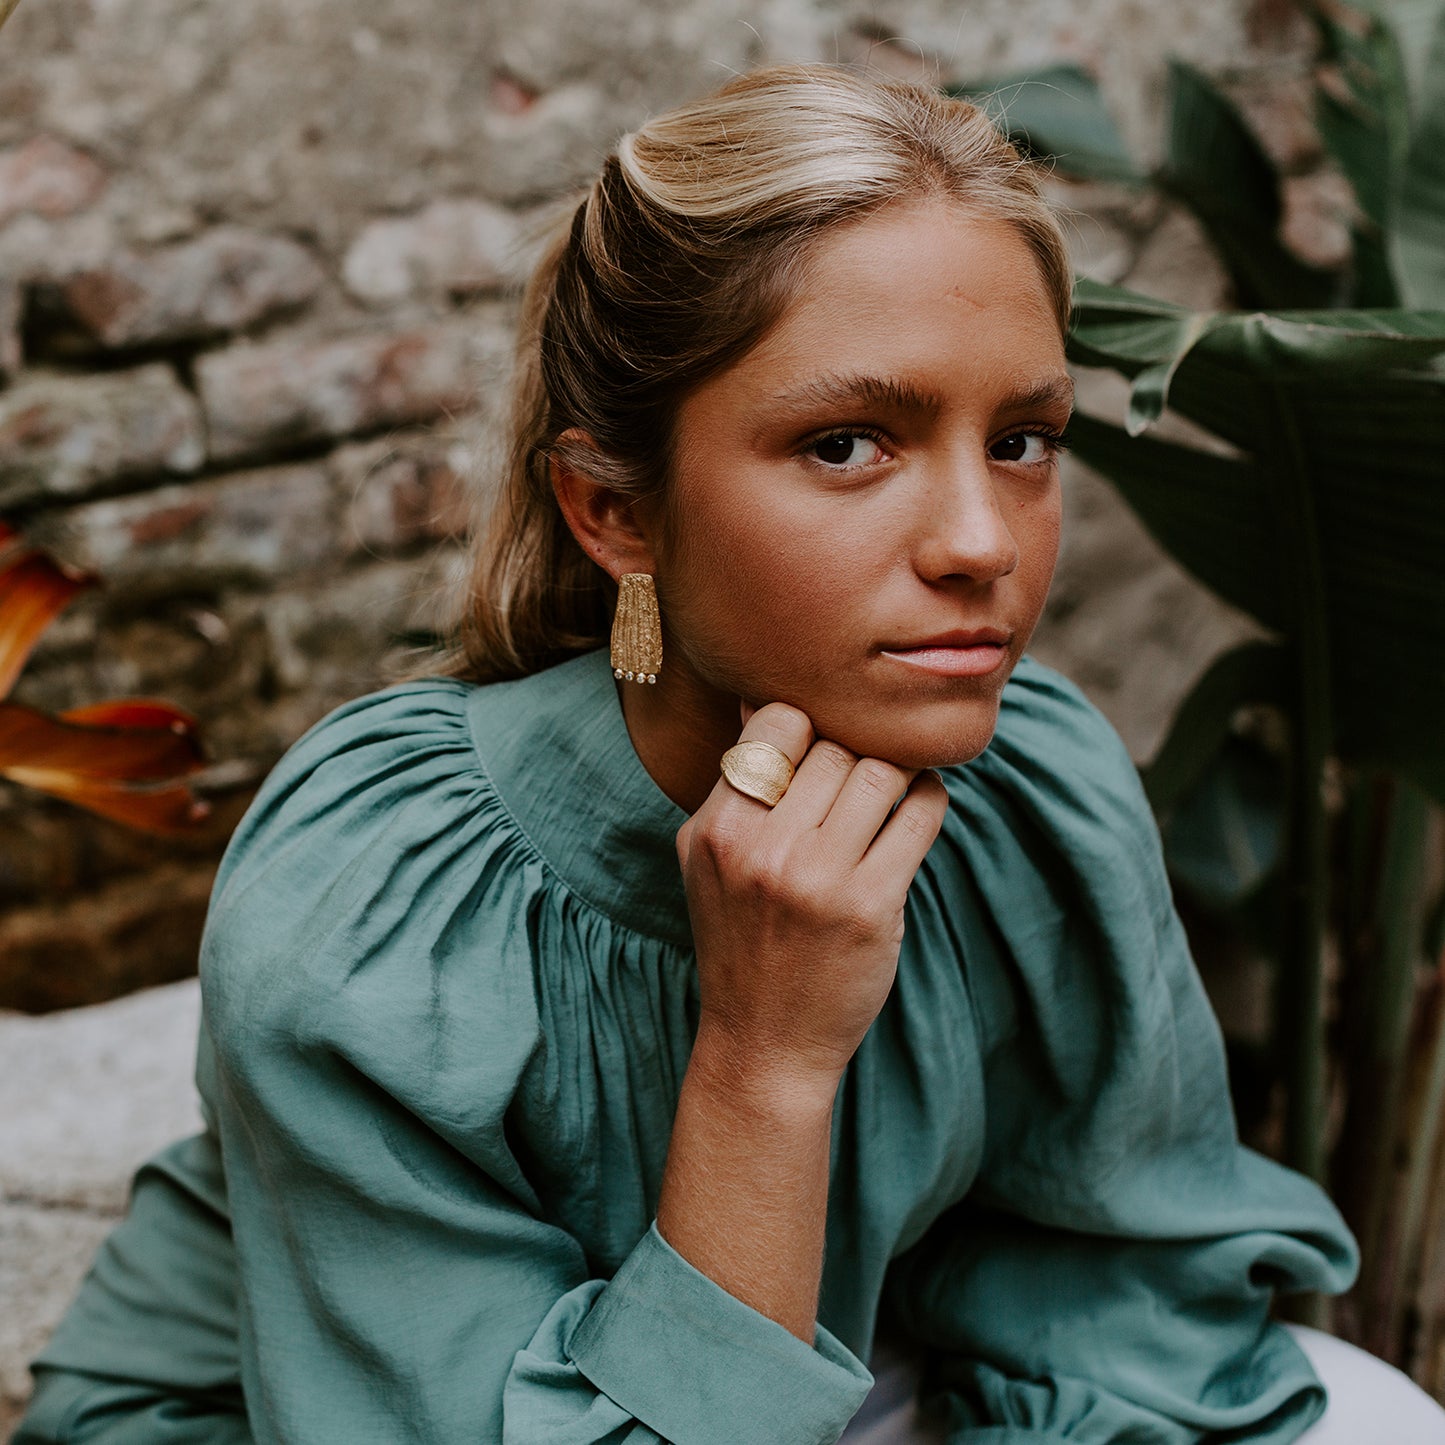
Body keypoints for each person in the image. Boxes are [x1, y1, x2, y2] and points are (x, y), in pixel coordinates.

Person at [16, 62, 1443, 1445]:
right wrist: (765, 1057)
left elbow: (1109, 1289)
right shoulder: (382, 903)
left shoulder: (1032, 788)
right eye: (846, 444)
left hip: (823, 1372)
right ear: (614, 513)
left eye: (1022, 439)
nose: (980, 543)